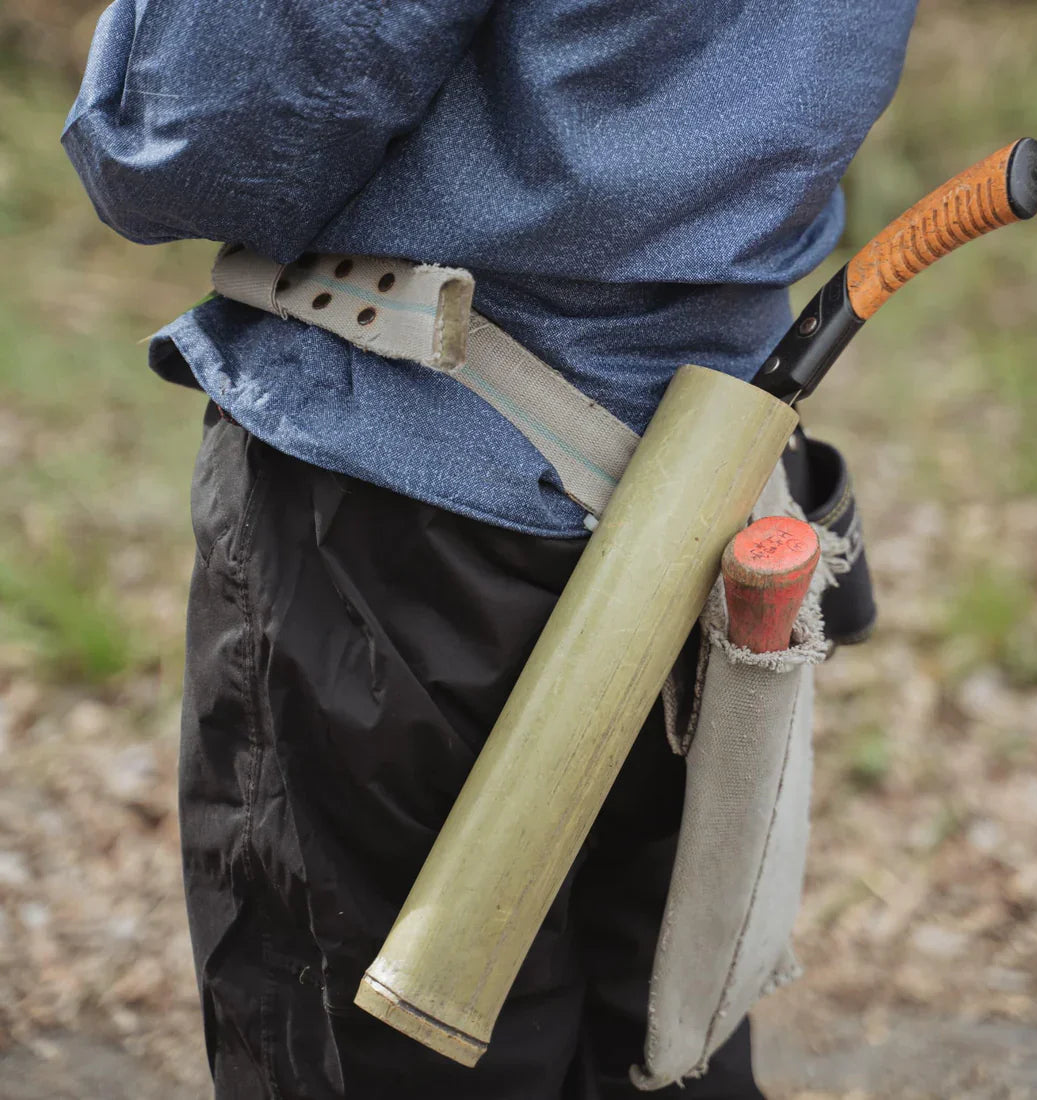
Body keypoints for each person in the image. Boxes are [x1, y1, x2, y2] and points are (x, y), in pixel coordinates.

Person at [63, 2, 916, 1096]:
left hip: (404, 523)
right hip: (703, 501)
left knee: (407, 1058)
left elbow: (196, 142)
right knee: (657, 1042)